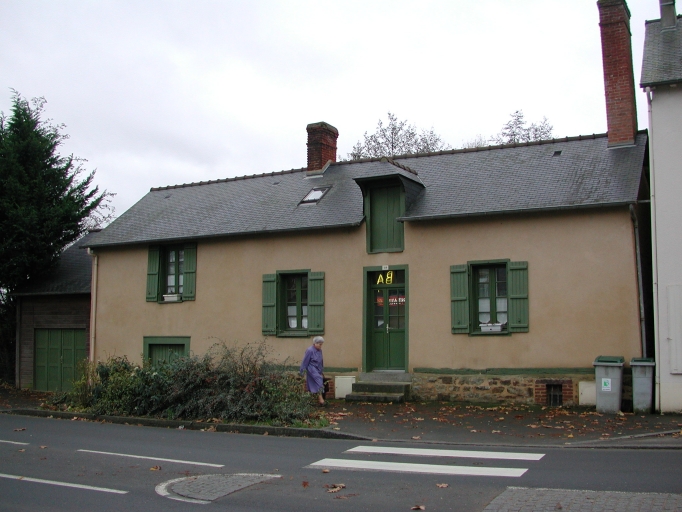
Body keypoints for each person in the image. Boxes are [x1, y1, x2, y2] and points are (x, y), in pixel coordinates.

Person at [300, 336, 326, 406]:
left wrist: (321, 370)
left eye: (321, 344)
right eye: (320, 344)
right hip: (311, 368)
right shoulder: (309, 350)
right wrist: (302, 371)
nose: (321, 346)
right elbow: (305, 361)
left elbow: (321, 361)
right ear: (315, 343)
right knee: (319, 381)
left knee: (312, 384)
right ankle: (321, 400)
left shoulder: (320, 350)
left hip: (318, 369)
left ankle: (309, 400)